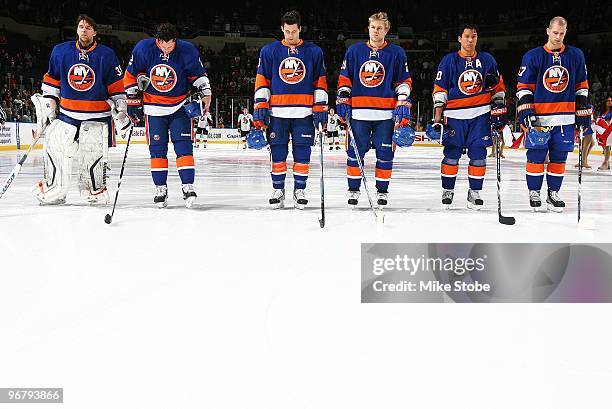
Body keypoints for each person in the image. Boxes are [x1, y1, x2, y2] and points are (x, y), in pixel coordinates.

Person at [32, 14, 130, 205]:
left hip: (97, 116)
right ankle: (55, 188)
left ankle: (94, 190)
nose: (84, 30)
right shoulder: (61, 52)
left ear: (94, 32)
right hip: (67, 114)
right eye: (81, 27)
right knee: (54, 147)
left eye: (88, 27)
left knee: (92, 156)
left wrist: (120, 110)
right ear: (76, 29)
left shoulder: (106, 55)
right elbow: (53, 81)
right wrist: (50, 107)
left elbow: (116, 88)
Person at [124, 23, 211, 208]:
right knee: (157, 150)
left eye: (169, 45)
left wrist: (206, 93)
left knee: (184, 147)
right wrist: (132, 102)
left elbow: (198, 75)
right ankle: (160, 189)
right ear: (157, 40)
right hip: (153, 108)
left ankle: (188, 186)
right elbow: (130, 75)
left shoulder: (187, 50)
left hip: (180, 107)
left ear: (175, 41)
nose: (166, 49)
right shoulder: (143, 48)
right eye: (162, 45)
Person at [252, 10, 328, 209]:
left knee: (302, 154)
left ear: (300, 29)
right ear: (282, 29)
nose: (291, 35)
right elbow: (262, 80)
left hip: (304, 113)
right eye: (287, 31)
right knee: (277, 154)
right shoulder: (269, 51)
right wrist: (261, 104)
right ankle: (278, 190)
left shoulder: (314, 52)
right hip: (277, 113)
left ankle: (299, 190)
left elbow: (320, 81)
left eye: (294, 31)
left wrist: (320, 106)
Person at [336, 11, 413, 208]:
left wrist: (403, 100)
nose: (376, 31)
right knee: (354, 154)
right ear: (368, 28)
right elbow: (345, 79)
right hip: (359, 113)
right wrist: (344, 97)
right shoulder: (354, 51)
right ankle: (353, 190)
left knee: (385, 155)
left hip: (386, 114)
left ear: (387, 30)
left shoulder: (396, 53)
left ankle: (382, 192)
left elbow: (403, 81)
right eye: (373, 27)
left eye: (380, 28)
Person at [428, 23, 507, 210]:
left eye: (474, 36)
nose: (470, 40)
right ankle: (448, 190)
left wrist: (499, 111)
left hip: (480, 115)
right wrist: (437, 119)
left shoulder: (488, 59)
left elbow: (498, 89)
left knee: (479, 155)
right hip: (454, 115)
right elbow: (440, 91)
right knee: (451, 154)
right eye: (467, 36)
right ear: (459, 39)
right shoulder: (449, 61)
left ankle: (475, 192)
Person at [516, 16, 590, 212]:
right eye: (555, 33)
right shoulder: (532, 56)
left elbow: (581, 84)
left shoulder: (576, 55)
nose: (558, 37)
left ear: (566, 32)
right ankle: (534, 192)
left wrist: (582, 105)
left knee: (559, 158)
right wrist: (526, 108)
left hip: (565, 117)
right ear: (548, 31)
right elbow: (523, 87)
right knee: (536, 157)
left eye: (562, 33)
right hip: (540, 118)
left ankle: (553, 193)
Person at [595, 96, 612, 170]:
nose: (609, 102)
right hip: (600, 130)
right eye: (608, 100)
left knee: (607, 146)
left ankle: (605, 163)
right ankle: (607, 163)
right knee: (604, 147)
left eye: (611, 100)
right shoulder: (601, 112)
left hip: (608, 130)